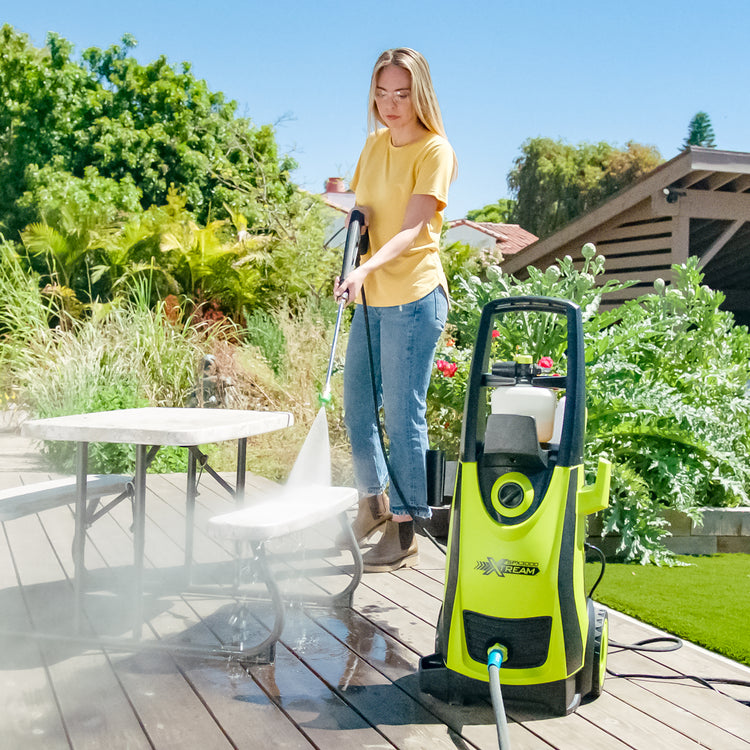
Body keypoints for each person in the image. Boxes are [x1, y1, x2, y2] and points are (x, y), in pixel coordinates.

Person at [334, 48, 456, 572]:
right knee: (357, 406)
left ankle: (405, 529)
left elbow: (411, 229)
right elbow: (363, 210)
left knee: (403, 415)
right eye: (382, 93)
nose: (391, 104)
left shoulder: (435, 151)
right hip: (373, 297)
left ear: (419, 93)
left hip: (414, 298)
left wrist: (364, 270)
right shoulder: (373, 146)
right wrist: (349, 257)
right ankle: (373, 504)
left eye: (401, 93)